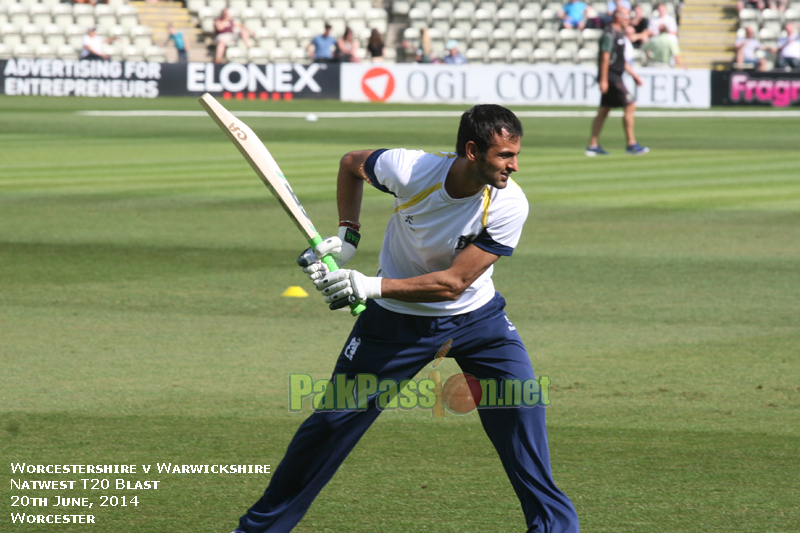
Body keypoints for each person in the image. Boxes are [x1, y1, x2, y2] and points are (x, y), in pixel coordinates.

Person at [230, 105, 580, 533]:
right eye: (505, 155)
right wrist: (347, 236)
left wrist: (367, 286)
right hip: (394, 325)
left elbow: (453, 283)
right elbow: (351, 164)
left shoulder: (509, 204)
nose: (514, 164)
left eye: (515, 154)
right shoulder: (410, 168)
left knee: (522, 410)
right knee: (330, 427)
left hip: (477, 321)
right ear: (472, 151)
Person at [586, 6, 649, 156]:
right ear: (618, 17)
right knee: (630, 105)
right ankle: (631, 144)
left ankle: (592, 145)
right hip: (611, 77)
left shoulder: (618, 35)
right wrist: (603, 79)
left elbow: (622, 61)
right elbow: (605, 57)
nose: (629, 20)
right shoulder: (609, 34)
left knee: (604, 110)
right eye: (626, 17)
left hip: (616, 75)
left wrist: (634, 75)